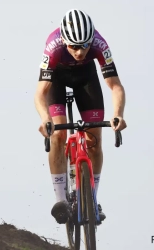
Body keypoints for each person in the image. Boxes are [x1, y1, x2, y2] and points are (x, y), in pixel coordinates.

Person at [34, 9, 127, 224]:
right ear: (64, 41)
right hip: (57, 77)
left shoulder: (99, 44)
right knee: (58, 135)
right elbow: (40, 92)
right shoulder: (53, 45)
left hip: (86, 77)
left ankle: (92, 199)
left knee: (94, 140)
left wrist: (118, 115)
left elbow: (116, 86)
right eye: (74, 46)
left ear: (91, 40)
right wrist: (44, 118)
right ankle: (61, 201)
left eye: (84, 45)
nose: (79, 52)